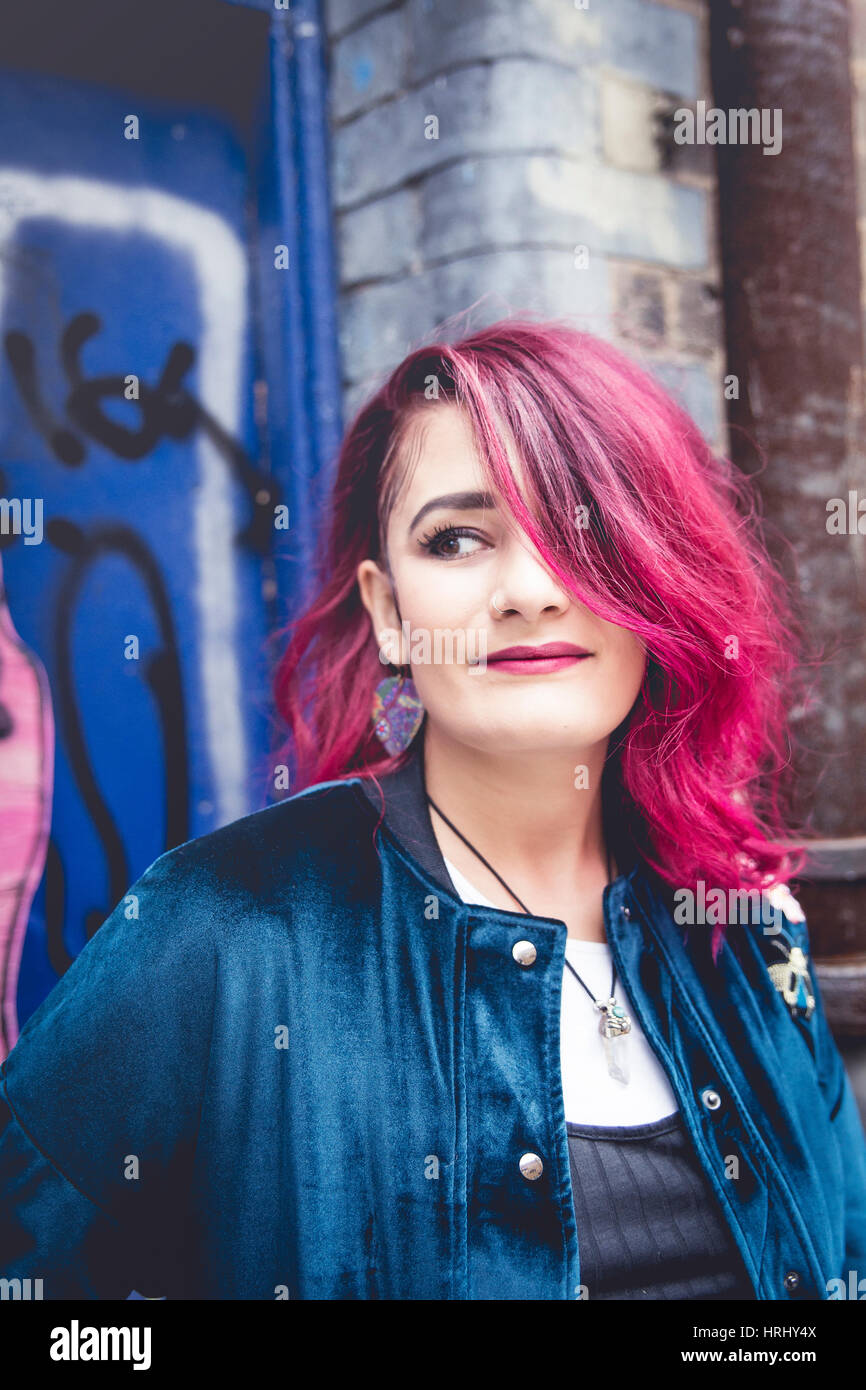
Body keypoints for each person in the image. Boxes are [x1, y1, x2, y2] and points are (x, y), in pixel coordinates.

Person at [2, 318, 865, 1300]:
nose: (530, 590)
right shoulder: (218, 928)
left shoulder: (745, 930)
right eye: (457, 538)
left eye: (583, 528)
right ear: (385, 608)